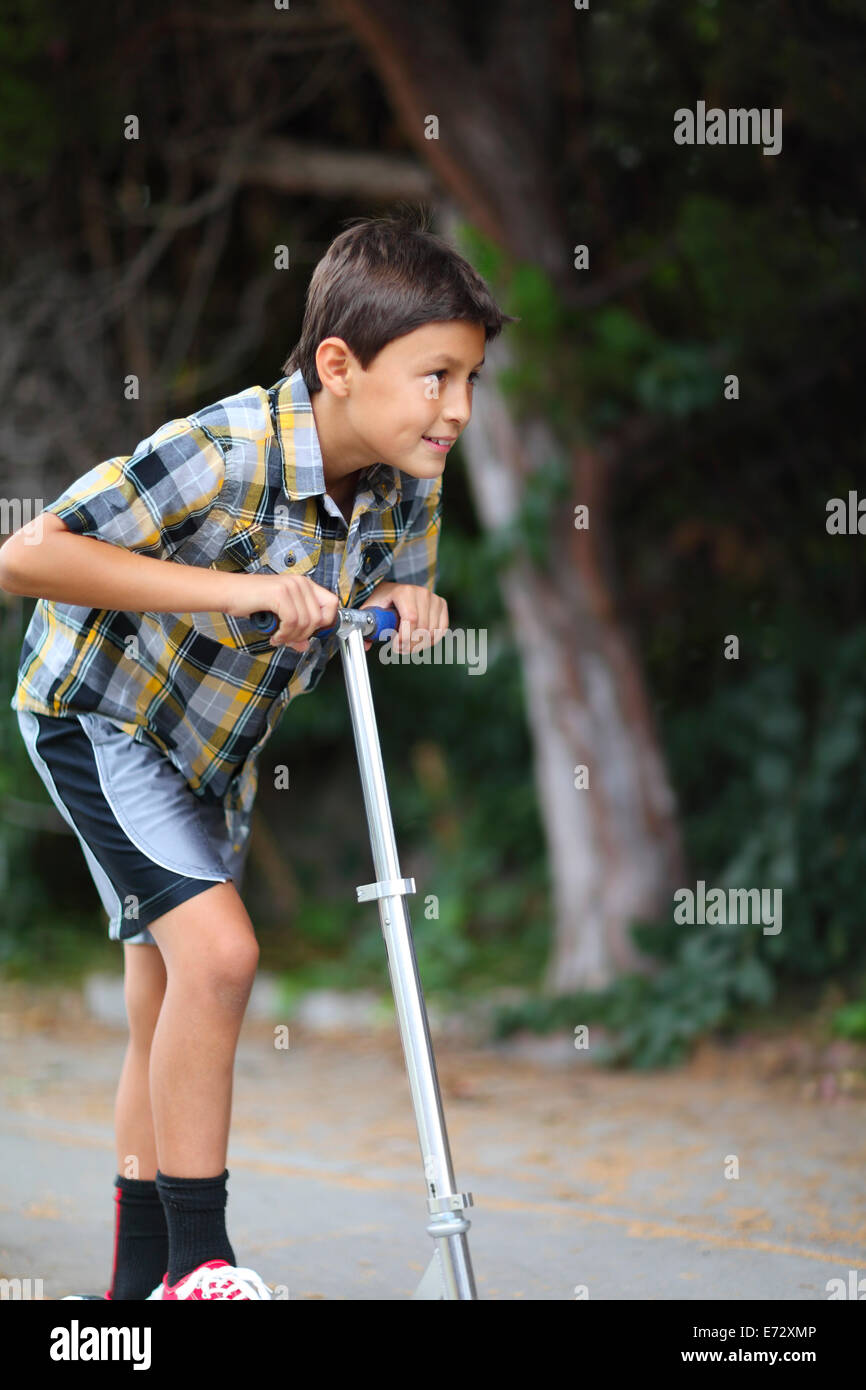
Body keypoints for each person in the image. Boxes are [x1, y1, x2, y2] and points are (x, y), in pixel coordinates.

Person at [0, 208, 513, 1300]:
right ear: (338, 364)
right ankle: (203, 1264)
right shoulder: (224, 451)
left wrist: (410, 602)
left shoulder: (403, 476)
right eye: (435, 377)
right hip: (102, 716)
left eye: (467, 380)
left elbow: (384, 586)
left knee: (165, 1001)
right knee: (223, 959)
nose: (457, 409)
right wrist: (233, 589)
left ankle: (133, 1298)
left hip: (208, 758)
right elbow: (30, 555)